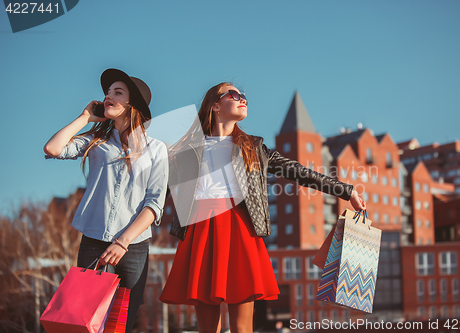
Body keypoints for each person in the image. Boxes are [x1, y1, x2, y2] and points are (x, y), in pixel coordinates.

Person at [159, 82, 366, 333]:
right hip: (200, 232)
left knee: (242, 326)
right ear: (214, 106)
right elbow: (153, 190)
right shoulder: (186, 150)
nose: (242, 98)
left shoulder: (254, 147)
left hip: (240, 230)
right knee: (206, 327)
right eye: (233, 95)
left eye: (244, 95)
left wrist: (346, 190)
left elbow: (298, 172)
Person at [43, 69, 168, 332]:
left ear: (132, 104)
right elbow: (53, 149)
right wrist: (85, 117)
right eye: (108, 92)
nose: (108, 97)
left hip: (133, 246)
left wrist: (123, 242)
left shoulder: (156, 149)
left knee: (120, 323)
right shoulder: (96, 141)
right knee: (84, 319)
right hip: (93, 240)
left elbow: (155, 204)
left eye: (117, 93)